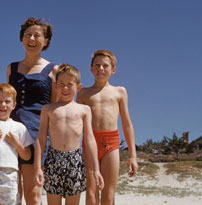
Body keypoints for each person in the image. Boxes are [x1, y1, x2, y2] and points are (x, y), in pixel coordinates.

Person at [34, 64, 104, 205]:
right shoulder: (48, 109)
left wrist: (96, 170)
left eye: (70, 85)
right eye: (62, 84)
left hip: (75, 161)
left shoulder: (84, 110)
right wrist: (37, 167)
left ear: (78, 87)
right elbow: (41, 139)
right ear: (55, 85)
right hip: (53, 160)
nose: (65, 88)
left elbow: (90, 140)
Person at [6, 17, 58, 204]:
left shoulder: (54, 70)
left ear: (45, 41)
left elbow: (55, 108)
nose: (32, 39)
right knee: (10, 194)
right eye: (28, 35)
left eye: (37, 35)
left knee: (33, 194)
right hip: (10, 133)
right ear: (22, 39)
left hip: (37, 134)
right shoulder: (11, 68)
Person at [77, 50, 138, 205]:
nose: (101, 69)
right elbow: (76, 122)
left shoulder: (120, 92)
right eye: (97, 65)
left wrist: (133, 156)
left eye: (105, 66)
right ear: (91, 69)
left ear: (113, 70)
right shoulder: (83, 93)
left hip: (111, 142)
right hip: (89, 143)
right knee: (91, 192)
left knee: (108, 194)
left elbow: (127, 123)